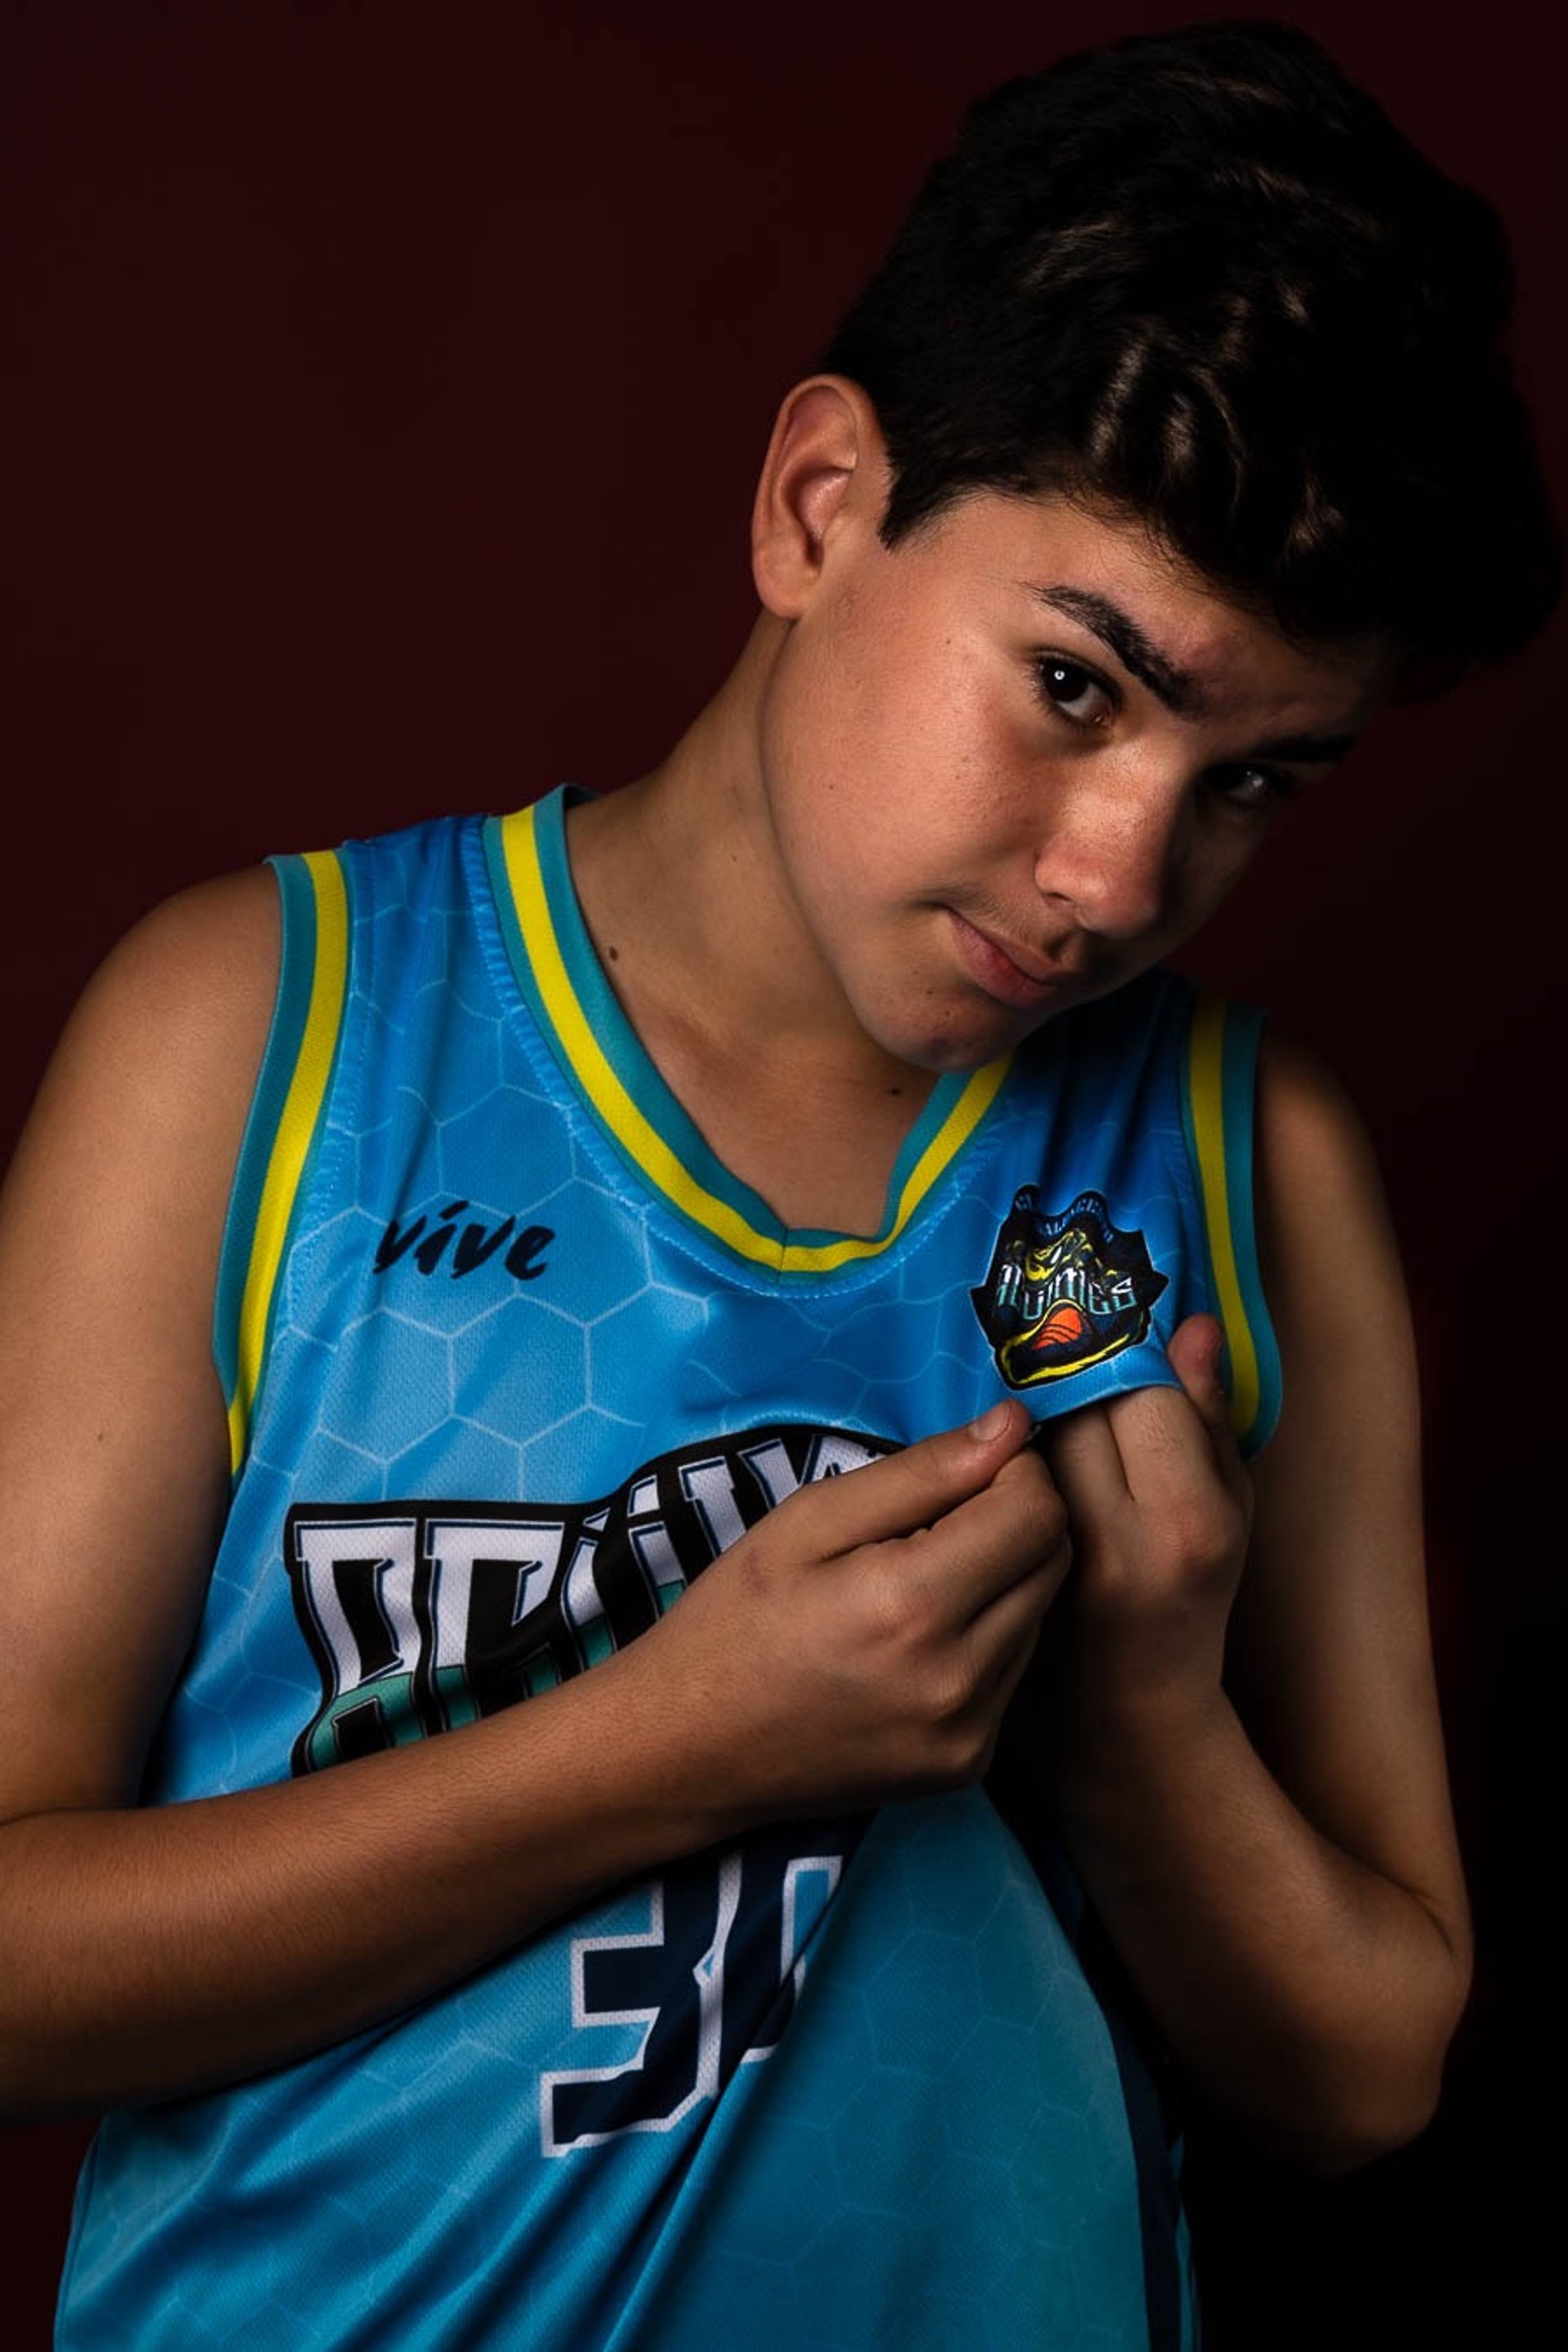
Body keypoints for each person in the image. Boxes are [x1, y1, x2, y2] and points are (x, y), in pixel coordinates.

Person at [0, 19, 1556, 2349]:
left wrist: (1140, 1712)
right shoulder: (264, 1031)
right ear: (821, 506)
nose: (1123, 876)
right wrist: (669, 1746)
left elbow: (1365, 2079)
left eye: (1255, 784)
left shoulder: (1248, 1159)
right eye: (1076, 687)